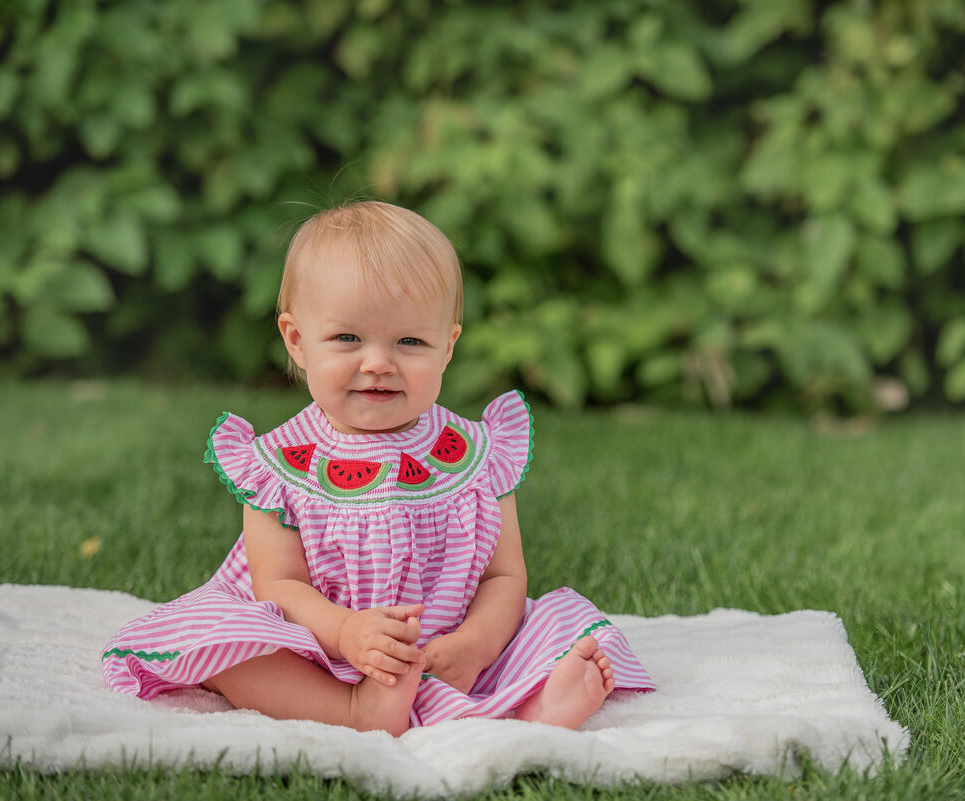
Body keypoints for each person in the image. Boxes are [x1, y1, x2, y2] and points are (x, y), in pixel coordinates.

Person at [101, 201, 655, 733]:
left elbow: (503, 576)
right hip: (313, 646)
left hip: (450, 648)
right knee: (225, 646)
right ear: (296, 340)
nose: (378, 363)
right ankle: (353, 708)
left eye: (410, 341)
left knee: (565, 626)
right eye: (347, 338)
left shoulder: (478, 454)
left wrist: (474, 646)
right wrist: (346, 633)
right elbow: (279, 585)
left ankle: (527, 707)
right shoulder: (279, 465)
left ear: (447, 347)